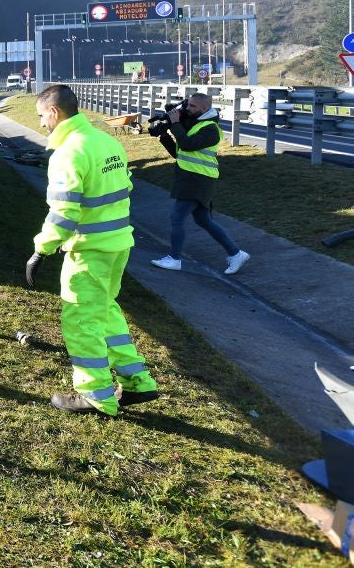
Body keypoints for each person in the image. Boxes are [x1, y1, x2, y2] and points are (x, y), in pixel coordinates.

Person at [26, 84, 158, 415]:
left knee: (82, 321)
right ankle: (137, 382)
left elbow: (63, 212)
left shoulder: (67, 153)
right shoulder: (106, 141)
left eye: (41, 116)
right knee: (105, 311)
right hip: (118, 244)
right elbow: (124, 187)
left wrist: (42, 248)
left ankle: (95, 395)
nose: (41, 123)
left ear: (54, 112)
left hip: (90, 251)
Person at [149, 93, 250, 275]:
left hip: (198, 179)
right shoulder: (195, 123)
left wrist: (175, 123)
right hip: (191, 177)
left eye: (193, 106)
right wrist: (164, 134)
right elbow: (180, 153)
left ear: (204, 108)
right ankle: (236, 254)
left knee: (177, 217)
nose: (188, 109)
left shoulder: (211, 129)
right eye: (188, 105)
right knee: (203, 220)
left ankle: (174, 259)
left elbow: (187, 144)